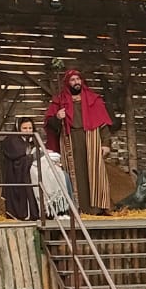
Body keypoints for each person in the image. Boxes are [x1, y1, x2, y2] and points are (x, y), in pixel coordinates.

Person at [44, 68, 115, 215]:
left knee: (94, 172)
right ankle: (74, 207)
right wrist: (57, 117)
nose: (76, 82)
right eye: (72, 80)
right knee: (72, 173)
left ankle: (96, 208)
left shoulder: (93, 99)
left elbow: (103, 124)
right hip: (70, 140)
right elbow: (49, 124)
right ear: (67, 83)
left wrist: (106, 144)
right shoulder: (60, 101)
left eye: (78, 79)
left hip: (91, 139)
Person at [0, 119, 41, 221]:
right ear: (18, 128)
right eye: (24, 128)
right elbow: (19, 158)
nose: (28, 131)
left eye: (30, 128)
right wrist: (30, 157)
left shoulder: (33, 140)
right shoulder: (11, 141)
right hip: (15, 174)